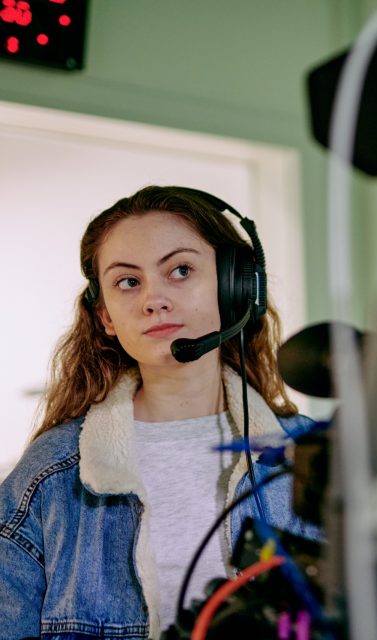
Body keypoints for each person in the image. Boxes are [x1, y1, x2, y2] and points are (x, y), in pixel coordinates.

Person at [0, 185, 321, 639]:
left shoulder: (313, 459)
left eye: (181, 270)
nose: (154, 299)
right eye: (128, 282)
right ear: (106, 317)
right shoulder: (47, 477)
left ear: (234, 287)